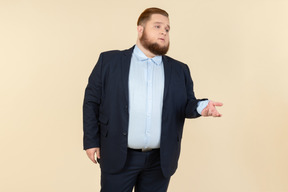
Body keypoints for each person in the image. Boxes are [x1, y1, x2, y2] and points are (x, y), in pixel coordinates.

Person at [83, 7, 222, 192]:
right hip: (118, 155)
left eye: (167, 29)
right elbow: (92, 101)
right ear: (140, 29)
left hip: (160, 161)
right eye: (157, 26)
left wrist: (201, 107)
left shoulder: (179, 70)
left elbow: (186, 104)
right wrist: (92, 141)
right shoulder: (109, 61)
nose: (164, 31)